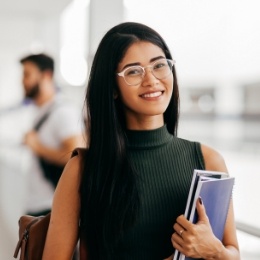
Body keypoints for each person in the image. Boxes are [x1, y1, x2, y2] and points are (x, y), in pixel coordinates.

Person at [43, 22, 240, 260]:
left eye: (159, 65)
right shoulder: (82, 169)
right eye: (134, 71)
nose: (152, 80)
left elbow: (233, 252)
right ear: (112, 87)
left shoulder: (208, 160)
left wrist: (215, 250)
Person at [20, 53, 84, 217]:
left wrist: (38, 147)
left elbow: (76, 157)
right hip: (38, 205)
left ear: (46, 75)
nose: (22, 81)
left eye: (27, 74)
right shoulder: (40, 111)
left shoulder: (63, 112)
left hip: (52, 208)